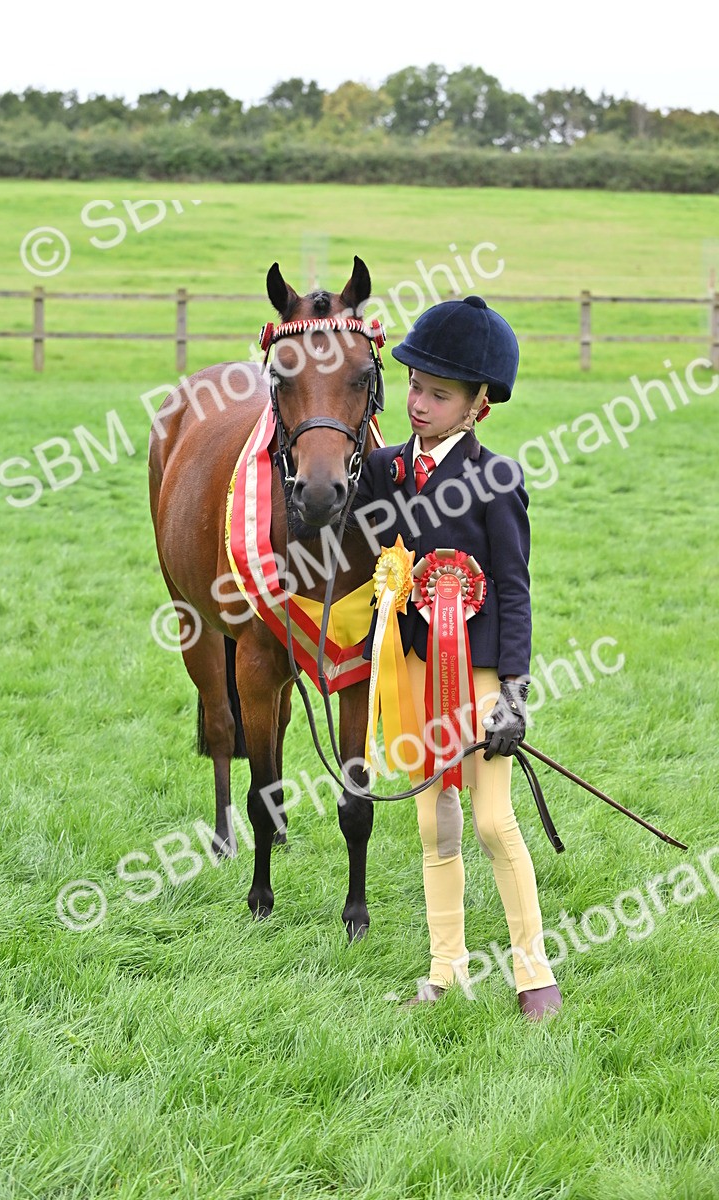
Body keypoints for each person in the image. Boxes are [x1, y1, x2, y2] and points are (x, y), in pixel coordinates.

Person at [352, 295, 562, 1019]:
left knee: (492, 822)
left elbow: (515, 587)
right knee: (432, 821)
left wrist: (515, 691)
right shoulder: (383, 470)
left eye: (439, 394)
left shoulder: (497, 481)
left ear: (479, 407)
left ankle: (534, 973)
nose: (419, 402)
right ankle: (446, 968)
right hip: (412, 670)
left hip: (476, 676)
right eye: (413, 386)